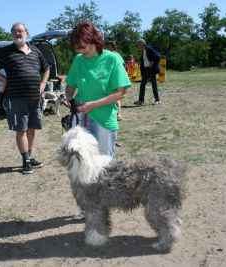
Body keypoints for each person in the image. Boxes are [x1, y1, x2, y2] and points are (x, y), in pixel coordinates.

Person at [64, 22, 131, 219]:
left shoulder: (112, 59)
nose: (80, 51)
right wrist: (69, 98)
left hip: (103, 119)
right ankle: (88, 207)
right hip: (82, 119)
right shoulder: (79, 60)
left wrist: (93, 105)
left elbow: (120, 92)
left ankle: (104, 207)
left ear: (94, 40)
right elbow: (70, 87)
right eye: (77, 47)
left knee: (104, 165)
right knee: (82, 165)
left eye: (83, 46)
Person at [0, 22, 50, 174]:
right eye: (14, 31)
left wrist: (43, 83)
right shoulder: (5, 52)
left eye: (20, 31)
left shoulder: (35, 51)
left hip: (35, 97)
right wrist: (4, 80)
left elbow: (46, 68)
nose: (17, 34)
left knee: (32, 129)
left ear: (26, 32)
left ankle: (30, 156)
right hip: (15, 97)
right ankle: (25, 161)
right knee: (21, 129)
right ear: (12, 34)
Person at [134, 39, 161, 106]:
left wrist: (152, 62)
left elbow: (158, 56)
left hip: (151, 69)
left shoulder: (149, 48)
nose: (138, 46)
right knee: (142, 85)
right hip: (145, 70)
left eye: (138, 45)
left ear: (142, 44)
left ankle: (157, 100)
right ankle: (141, 101)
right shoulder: (143, 50)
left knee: (154, 85)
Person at [105, 40, 124, 121]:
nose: (108, 48)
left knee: (116, 97)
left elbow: (122, 66)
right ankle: (113, 114)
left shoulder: (116, 55)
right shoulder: (105, 55)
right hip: (108, 79)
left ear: (114, 47)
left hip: (115, 79)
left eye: (109, 47)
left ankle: (119, 114)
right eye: (107, 47)